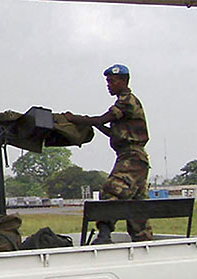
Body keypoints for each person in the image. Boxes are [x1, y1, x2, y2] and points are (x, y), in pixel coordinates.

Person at [65, 64, 153, 244]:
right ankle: (144, 243)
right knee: (137, 207)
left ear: (123, 81)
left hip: (132, 157)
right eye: (107, 81)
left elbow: (103, 119)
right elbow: (113, 131)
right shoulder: (124, 103)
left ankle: (104, 235)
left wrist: (76, 119)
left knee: (112, 190)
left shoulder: (127, 101)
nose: (108, 85)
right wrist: (90, 123)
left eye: (111, 81)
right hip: (132, 157)